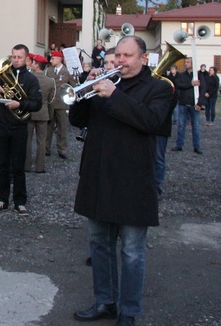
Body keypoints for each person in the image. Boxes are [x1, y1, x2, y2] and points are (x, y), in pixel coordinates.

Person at [70, 36, 172, 324]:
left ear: (143, 58)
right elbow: (78, 120)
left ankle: (129, 310)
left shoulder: (159, 89)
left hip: (133, 181)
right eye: (117, 56)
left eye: (127, 56)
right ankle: (105, 301)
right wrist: (84, 88)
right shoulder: (104, 82)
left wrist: (113, 94)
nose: (120, 61)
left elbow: (151, 121)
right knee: (99, 245)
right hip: (98, 175)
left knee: (131, 252)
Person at [0, 45, 42, 216]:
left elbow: (37, 103)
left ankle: (20, 202)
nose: (16, 60)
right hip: (0, 126)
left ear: (27, 59)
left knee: (19, 166)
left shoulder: (31, 80)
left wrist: (20, 104)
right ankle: (2, 199)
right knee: (2, 165)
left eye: (19, 57)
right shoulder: (1, 74)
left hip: (19, 127)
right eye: (13, 56)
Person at [25, 54, 55, 174]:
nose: (31, 64)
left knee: (27, 140)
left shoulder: (28, 78)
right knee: (41, 141)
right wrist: (50, 115)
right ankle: (40, 167)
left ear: (37, 65)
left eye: (33, 62)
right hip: (43, 113)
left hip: (29, 112)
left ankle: (26, 165)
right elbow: (51, 100)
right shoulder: (50, 81)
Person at [45, 50, 77, 159]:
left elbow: (74, 86)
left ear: (59, 59)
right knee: (48, 128)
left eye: (53, 58)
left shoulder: (67, 72)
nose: (50, 60)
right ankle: (46, 148)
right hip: (50, 103)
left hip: (62, 104)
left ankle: (62, 149)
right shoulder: (48, 71)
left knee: (62, 128)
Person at [172, 57, 205, 154]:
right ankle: (179, 145)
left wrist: (200, 103)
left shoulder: (199, 75)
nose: (185, 64)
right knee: (181, 125)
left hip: (194, 104)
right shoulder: (182, 75)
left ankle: (197, 146)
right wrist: (190, 84)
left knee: (196, 126)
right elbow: (179, 85)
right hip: (183, 103)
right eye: (185, 62)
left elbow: (203, 89)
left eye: (188, 62)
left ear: (192, 64)